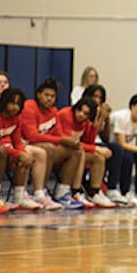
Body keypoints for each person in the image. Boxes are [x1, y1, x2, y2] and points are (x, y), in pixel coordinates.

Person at [21, 78, 86, 210]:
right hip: (26, 144)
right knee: (48, 149)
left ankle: (63, 192)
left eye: (52, 96)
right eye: (46, 95)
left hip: (45, 145)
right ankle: (40, 192)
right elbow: (32, 136)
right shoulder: (29, 107)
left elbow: (58, 133)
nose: (49, 99)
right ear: (38, 95)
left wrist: (70, 141)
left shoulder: (53, 111)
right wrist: (60, 140)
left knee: (76, 151)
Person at [0, 87, 48, 211]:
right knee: (3, 152)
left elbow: (17, 142)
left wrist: (23, 154)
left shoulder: (17, 118)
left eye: (18, 104)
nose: (15, 107)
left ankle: (19, 198)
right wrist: (19, 154)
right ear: (4, 102)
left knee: (24, 156)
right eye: (12, 103)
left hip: (1, 150)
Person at [57, 97, 116, 208]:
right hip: (59, 148)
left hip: (74, 150)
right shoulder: (65, 115)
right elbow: (69, 142)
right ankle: (75, 192)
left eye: (86, 114)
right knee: (81, 154)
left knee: (98, 158)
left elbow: (88, 142)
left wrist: (94, 126)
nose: (81, 115)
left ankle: (94, 192)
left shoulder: (85, 122)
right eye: (79, 110)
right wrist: (96, 148)